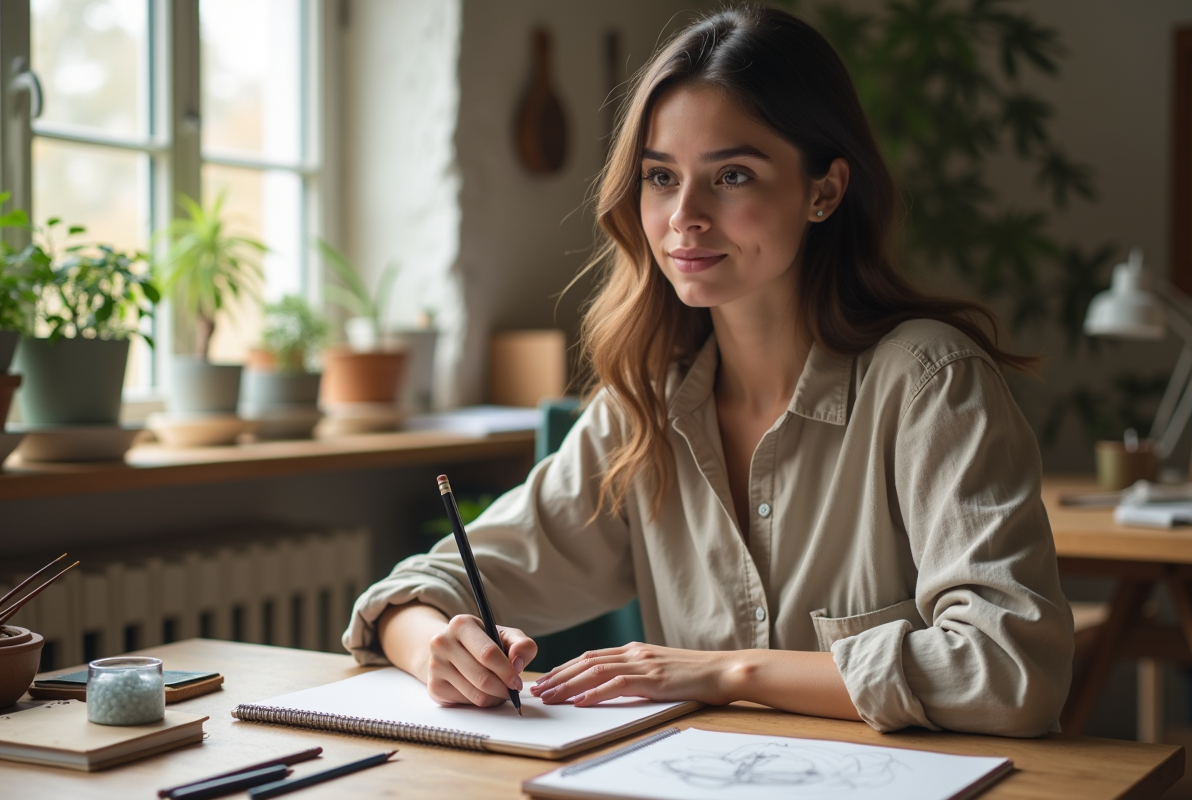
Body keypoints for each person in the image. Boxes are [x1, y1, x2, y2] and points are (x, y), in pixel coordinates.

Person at [343, 5, 1074, 737]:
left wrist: (725, 672)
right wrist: (437, 649)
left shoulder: (930, 385)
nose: (683, 216)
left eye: (731, 174)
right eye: (661, 176)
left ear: (824, 190)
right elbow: (416, 592)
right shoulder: (644, 407)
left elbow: (1011, 670)